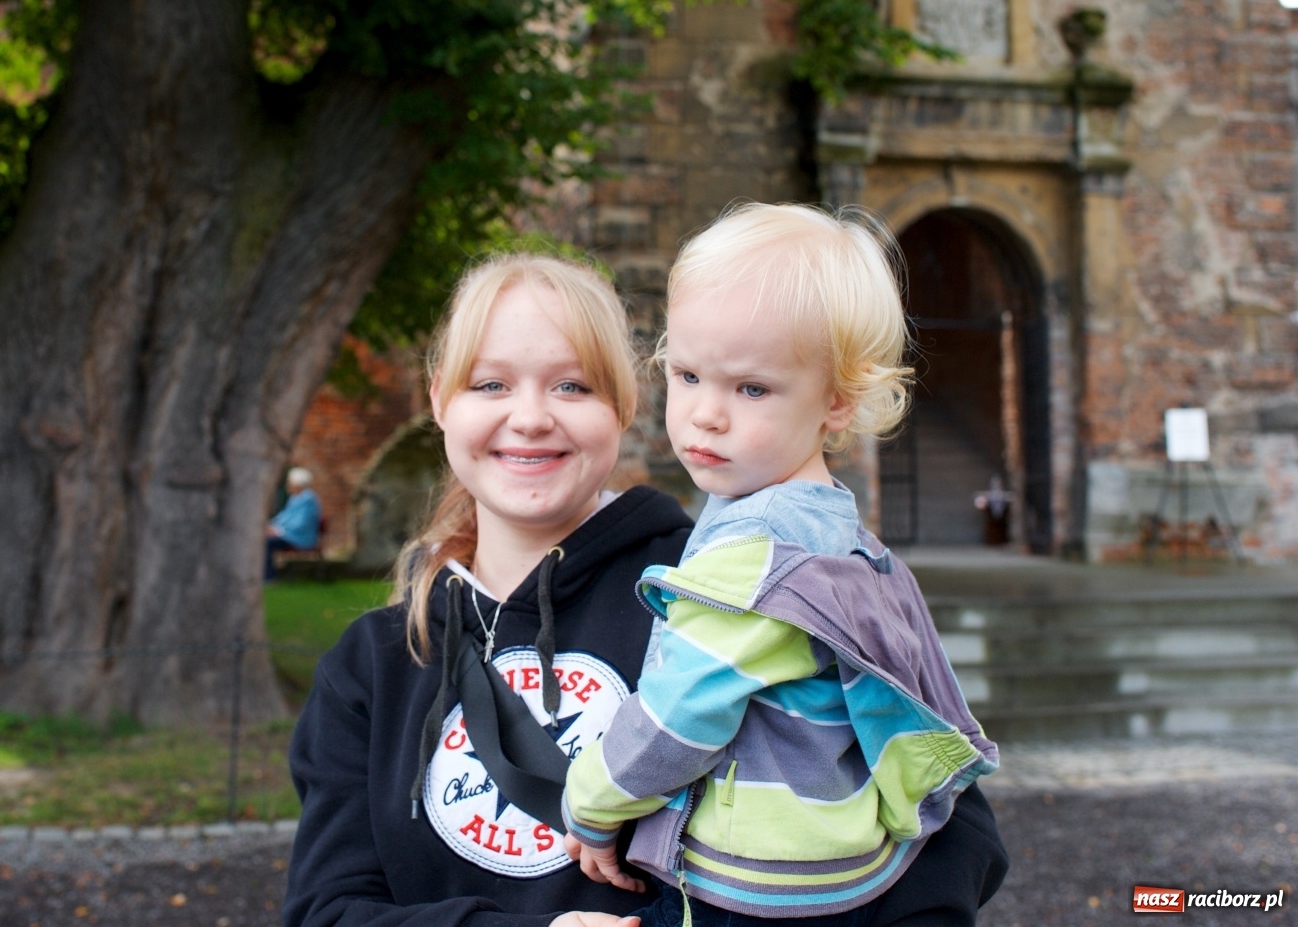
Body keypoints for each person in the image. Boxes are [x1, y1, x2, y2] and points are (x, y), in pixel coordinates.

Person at [283, 252, 1008, 927]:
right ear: (440, 400)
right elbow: (327, 909)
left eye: (572, 385)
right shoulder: (373, 663)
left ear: (625, 404)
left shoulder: (744, 587)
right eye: (490, 383)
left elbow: (949, 833)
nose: (531, 416)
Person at [561, 203, 999, 925]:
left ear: (838, 401)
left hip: (752, 885)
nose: (706, 413)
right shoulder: (833, 525)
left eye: (751, 388)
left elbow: (681, 717)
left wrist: (590, 802)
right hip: (841, 860)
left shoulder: (757, 551)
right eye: (690, 375)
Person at [267, 466, 322, 581]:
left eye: (290, 482)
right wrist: (271, 526)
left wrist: (278, 531)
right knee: (263, 539)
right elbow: (283, 517)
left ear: (298, 484)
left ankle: (269, 577)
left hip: (300, 538)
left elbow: (300, 524)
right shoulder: (294, 498)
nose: (288, 485)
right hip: (289, 535)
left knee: (268, 543)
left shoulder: (308, 499)